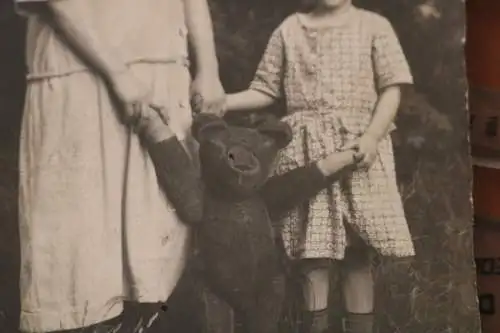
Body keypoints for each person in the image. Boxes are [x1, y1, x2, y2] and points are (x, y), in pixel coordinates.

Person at [14, 0, 224, 332]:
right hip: (79, 71)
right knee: (79, 255)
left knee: (161, 257)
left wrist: (209, 68)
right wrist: (118, 74)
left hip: (164, 70)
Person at [219, 0, 415, 332]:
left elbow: (391, 89)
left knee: (357, 255)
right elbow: (264, 88)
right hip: (307, 152)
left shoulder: (374, 27)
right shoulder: (290, 29)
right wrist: (221, 102)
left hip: (358, 150)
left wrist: (371, 136)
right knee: (313, 252)